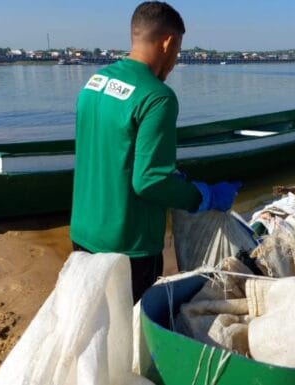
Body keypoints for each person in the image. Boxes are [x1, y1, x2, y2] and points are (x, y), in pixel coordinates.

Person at [70, 1, 240, 304]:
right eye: (178, 51)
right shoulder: (157, 97)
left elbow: (113, 152)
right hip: (129, 245)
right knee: (128, 325)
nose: (174, 62)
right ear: (168, 42)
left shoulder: (95, 83)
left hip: (83, 232)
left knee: (93, 316)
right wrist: (204, 196)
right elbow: (149, 181)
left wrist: (173, 177)